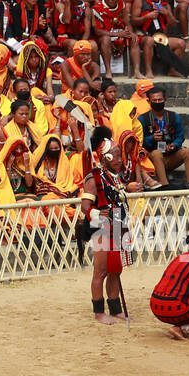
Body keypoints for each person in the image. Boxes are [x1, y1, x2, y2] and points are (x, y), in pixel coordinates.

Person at [79, 127, 130, 325]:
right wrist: (97, 213)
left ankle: (116, 309)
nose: (119, 159)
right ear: (105, 157)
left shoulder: (114, 176)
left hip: (118, 225)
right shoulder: (94, 178)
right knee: (100, 271)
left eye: (120, 156)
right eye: (116, 156)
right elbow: (85, 206)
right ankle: (99, 312)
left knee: (116, 270)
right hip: (102, 228)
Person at [149, 232, 189, 340]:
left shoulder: (179, 257)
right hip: (175, 307)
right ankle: (179, 328)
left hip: (155, 304)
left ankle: (178, 327)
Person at [138, 86, 189, 187]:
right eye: (154, 100)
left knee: (187, 152)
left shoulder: (174, 116)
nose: (157, 102)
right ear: (148, 101)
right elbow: (140, 140)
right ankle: (165, 186)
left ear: (165, 100)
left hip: (170, 155)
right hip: (153, 158)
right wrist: (152, 138)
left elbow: (180, 136)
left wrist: (174, 145)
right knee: (156, 153)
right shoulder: (143, 118)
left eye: (160, 99)